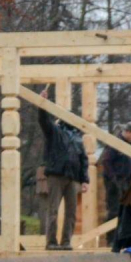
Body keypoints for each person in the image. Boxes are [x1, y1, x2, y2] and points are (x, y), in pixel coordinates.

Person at [36, 86, 89, 249]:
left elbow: (83, 159)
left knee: (71, 213)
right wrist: (42, 104)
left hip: (73, 178)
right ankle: (51, 242)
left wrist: (85, 180)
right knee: (53, 211)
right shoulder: (55, 132)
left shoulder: (78, 138)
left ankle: (66, 242)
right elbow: (43, 121)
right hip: (56, 176)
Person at [100, 121, 131, 224]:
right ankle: (111, 238)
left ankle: (121, 237)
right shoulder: (115, 143)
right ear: (128, 132)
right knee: (115, 210)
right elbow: (106, 161)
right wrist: (113, 179)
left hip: (127, 181)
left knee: (127, 209)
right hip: (115, 181)